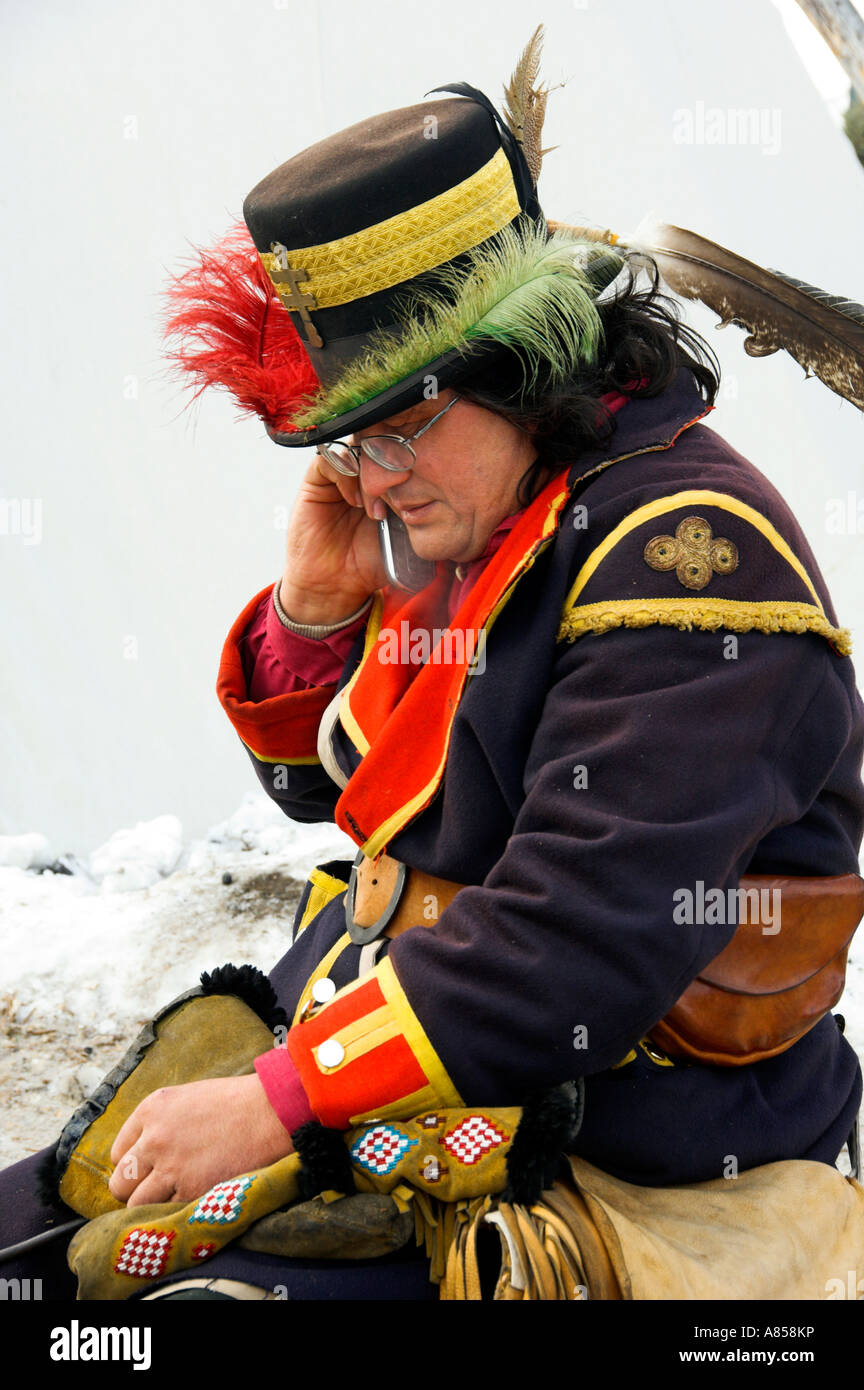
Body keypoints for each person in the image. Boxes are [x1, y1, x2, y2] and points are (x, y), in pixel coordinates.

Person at [2, 45, 862, 1301]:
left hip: (608, 1152)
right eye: (351, 437)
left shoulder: (691, 563)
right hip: (412, 1074)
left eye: (402, 421)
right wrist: (313, 606)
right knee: (28, 1251)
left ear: (532, 366)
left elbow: (576, 942)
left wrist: (282, 1100)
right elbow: (330, 793)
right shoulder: (486, 510)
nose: (371, 472)